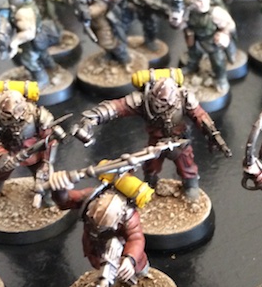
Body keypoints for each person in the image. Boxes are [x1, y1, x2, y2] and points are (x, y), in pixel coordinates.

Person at [73, 69, 230, 200]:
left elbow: (200, 115)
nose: (160, 106)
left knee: (186, 163)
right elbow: (117, 106)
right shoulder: (143, 99)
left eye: (164, 103)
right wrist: (94, 117)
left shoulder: (184, 98)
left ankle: (191, 185)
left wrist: (211, 132)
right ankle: (151, 183)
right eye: (158, 102)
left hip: (179, 139)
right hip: (156, 141)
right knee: (151, 166)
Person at [48, 171, 151, 287]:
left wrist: (131, 259)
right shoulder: (92, 198)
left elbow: (136, 238)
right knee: (102, 266)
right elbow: (66, 200)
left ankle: (139, 279)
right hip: (97, 246)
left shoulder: (128, 216)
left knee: (139, 271)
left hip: (123, 248)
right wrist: (59, 189)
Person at [0, 85, 66, 206]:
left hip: (33, 152)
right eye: (9, 114)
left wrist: (46, 161)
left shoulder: (38, 115)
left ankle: (47, 194)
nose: (15, 118)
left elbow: (50, 140)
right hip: (6, 152)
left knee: (44, 175)